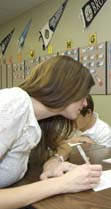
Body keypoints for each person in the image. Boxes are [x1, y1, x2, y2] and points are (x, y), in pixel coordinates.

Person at [0, 55, 102, 209]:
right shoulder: (13, 105)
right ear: (66, 89)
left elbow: (64, 145)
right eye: (83, 95)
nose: (85, 102)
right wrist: (62, 184)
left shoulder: (42, 118)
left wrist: (53, 163)